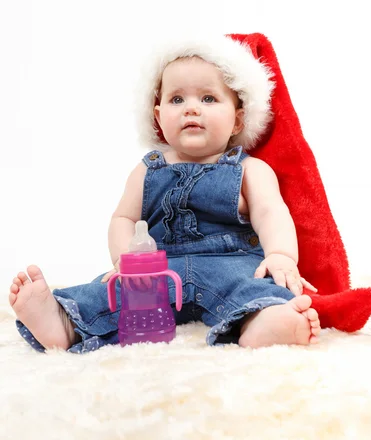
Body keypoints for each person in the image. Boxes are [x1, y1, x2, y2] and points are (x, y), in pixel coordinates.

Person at [9, 35, 321, 353]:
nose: (191, 109)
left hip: (229, 264)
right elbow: (124, 218)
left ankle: (262, 322)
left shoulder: (249, 169)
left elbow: (271, 211)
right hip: (155, 269)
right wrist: (124, 260)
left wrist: (281, 255)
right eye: (177, 100)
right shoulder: (148, 169)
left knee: (258, 287)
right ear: (158, 117)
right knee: (107, 290)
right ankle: (63, 322)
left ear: (238, 118)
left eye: (209, 99)